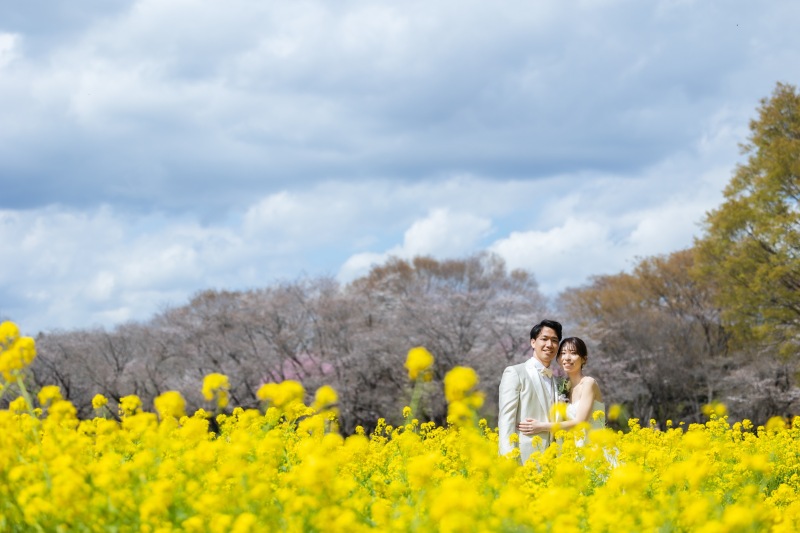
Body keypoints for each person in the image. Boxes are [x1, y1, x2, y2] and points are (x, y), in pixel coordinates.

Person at [498, 319, 563, 464]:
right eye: (544, 339)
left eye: (554, 340)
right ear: (533, 342)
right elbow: (506, 419)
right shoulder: (515, 372)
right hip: (523, 458)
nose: (549, 345)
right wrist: (508, 460)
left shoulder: (558, 381)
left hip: (554, 461)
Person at [518, 337, 605, 439]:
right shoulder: (563, 387)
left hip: (592, 448)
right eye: (563, 353)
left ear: (584, 359)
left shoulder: (588, 383)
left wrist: (541, 426)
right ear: (558, 359)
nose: (567, 358)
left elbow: (580, 422)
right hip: (571, 449)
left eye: (573, 353)